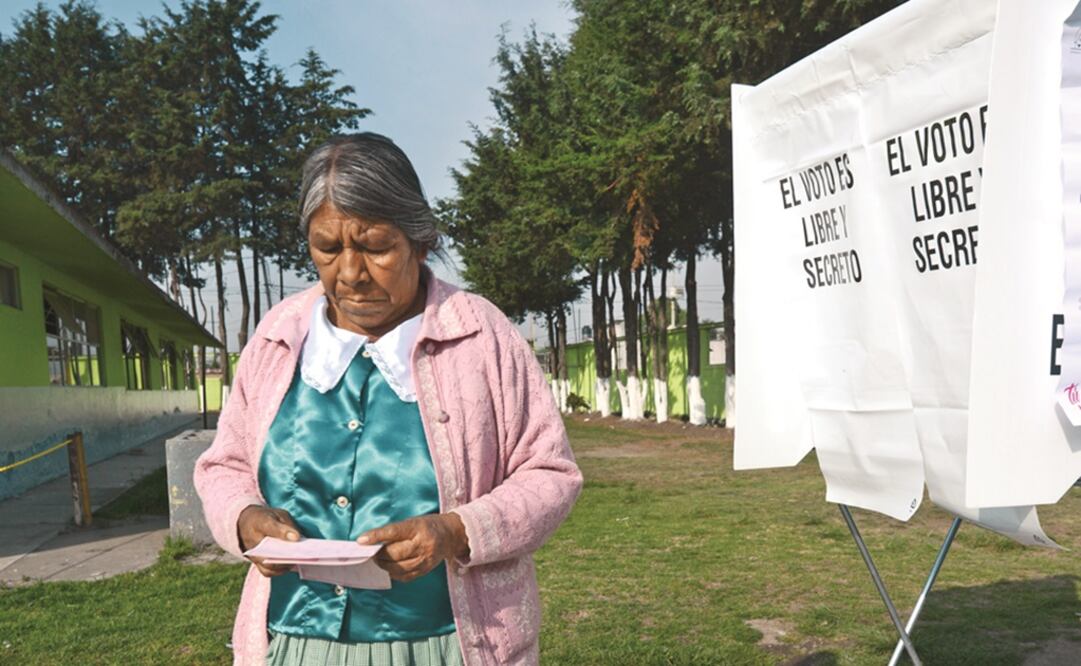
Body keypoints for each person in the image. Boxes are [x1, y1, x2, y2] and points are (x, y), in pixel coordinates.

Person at [193, 132, 583, 666]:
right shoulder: (277, 338)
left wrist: (453, 531)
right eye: (327, 249)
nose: (350, 273)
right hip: (295, 642)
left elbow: (550, 472)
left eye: (375, 247)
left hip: (449, 645)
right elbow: (224, 464)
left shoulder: (480, 335)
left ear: (419, 241)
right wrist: (244, 518)